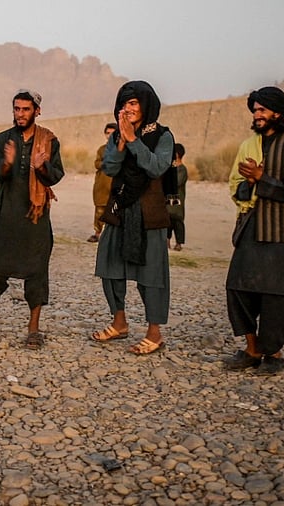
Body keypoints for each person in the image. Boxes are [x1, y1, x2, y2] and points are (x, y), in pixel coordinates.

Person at [223, 86, 284, 375]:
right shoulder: (250, 145)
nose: (257, 114)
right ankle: (251, 350)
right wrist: (249, 183)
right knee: (238, 287)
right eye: (255, 110)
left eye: (262, 110)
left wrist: (262, 177)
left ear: (278, 113)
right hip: (252, 224)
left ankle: (273, 353)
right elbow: (235, 185)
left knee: (277, 296)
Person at [0, 89, 64, 349]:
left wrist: (41, 166)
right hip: (6, 212)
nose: (20, 114)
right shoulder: (3, 139)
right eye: (17, 109)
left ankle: (33, 328)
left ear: (37, 111)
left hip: (35, 217)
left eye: (26, 109)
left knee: (37, 270)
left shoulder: (49, 141)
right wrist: (7, 162)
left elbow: (56, 175)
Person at [91, 81, 174, 355]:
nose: (128, 108)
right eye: (125, 104)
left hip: (149, 213)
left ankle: (154, 333)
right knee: (108, 264)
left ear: (146, 106)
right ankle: (119, 322)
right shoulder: (118, 136)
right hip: (120, 208)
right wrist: (121, 142)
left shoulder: (162, 136)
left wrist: (134, 141)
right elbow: (110, 167)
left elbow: (156, 167)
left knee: (151, 274)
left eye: (134, 103)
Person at [89, 122, 118, 243]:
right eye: (107, 133)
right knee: (100, 210)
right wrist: (106, 164)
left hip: (115, 184)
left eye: (112, 133)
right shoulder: (102, 149)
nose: (109, 135)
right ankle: (97, 233)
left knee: (114, 210)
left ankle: (113, 236)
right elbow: (97, 163)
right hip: (101, 184)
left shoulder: (121, 148)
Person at [166, 143, 188, 251]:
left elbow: (177, 182)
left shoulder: (182, 170)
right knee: (167, 220)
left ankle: (179, 243)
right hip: (168, 199)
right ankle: (167, 240)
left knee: (177, 221)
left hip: (177, 200)